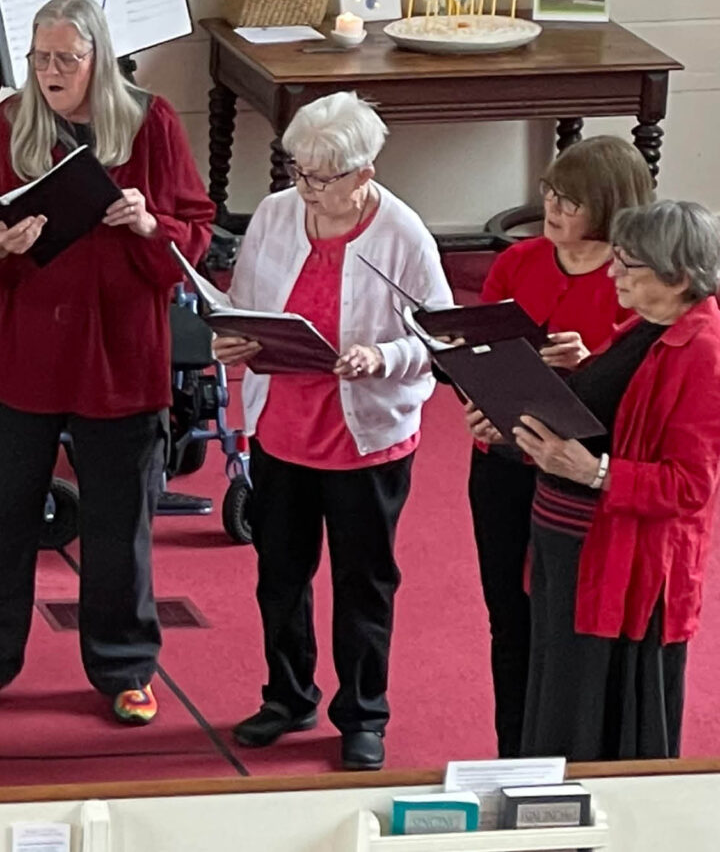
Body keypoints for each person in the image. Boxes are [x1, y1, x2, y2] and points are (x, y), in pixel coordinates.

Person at [0, 0, 215, 725]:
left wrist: (150, 223)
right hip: (21, 349)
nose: (52, 71)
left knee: (119, 523)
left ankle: (125, 667)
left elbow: (195, 235)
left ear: (99, 58)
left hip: (116, 351)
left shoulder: (152, 122)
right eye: (40, 58)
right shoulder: (9, 123)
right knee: (3, 515)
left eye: (66, 57)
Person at [213, 91, 447, 772]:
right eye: (299, 171)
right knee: (280, 576)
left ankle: (363, 714)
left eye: (321, 177)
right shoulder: (276, 213)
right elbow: (246, 304)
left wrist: (382, 356)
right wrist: (232, 337)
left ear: (364, 173)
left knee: (363, 583)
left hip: (366, 438)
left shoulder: (403, 234)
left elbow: (441, 336)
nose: (306, 189)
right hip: (282, 426)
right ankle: (288, 696)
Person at [470, 199, 720, 761]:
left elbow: (689, 488)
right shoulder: (646, 326)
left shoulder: (703, 352)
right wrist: (511, 424)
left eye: (628, 264)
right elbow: (605, 420)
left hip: (622, 571)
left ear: (679, 276)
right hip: (571, 553)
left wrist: (595, 472)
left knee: (592, 721)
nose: (612, 273)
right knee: (557, 700)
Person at [465, 136, 652, 755]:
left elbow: (638, 394)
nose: (552, 207)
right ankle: (511, 752)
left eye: (570, 200)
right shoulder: (518, 263)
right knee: (507, 617)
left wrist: (589, 362)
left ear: (609, 205)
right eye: (550, 192)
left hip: (576, 473)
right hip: (501, 461)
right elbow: (482, 355)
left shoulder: (635, 282)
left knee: (564, 622)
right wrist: (477, 403)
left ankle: (564, 754)